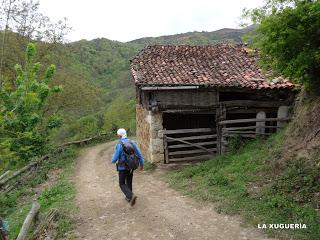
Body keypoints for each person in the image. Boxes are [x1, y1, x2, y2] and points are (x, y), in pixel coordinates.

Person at [111, 128, 144, 206]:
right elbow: (139, 154)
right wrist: (142, 164)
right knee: (129, 181)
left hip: (122, 168)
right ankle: (129, 198)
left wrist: (113, 158)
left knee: (122, 183)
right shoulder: (132, 142)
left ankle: (131, 196)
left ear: (119, 135)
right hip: (131, 166)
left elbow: (114, 159)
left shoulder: (119, 145)